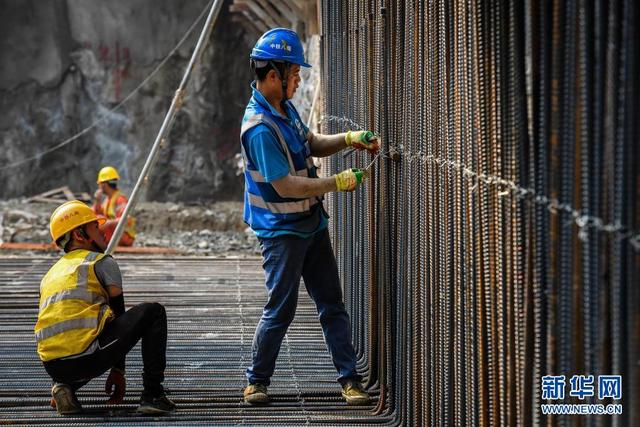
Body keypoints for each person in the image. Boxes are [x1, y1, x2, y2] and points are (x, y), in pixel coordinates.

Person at [240, 28, 379, 406]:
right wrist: (338, 182)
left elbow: (310, 142)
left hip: (310, 224)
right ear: (274, 76)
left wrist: (350, 138)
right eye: (295, 75)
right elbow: (285, 186)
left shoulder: (283, 109)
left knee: (331, 303)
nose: (299, 81)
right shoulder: (259, 128)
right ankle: (257, 381)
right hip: (282, 231)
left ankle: (349, 380)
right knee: (280, 310)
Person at [35, 200, 174, 415]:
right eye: (95, 228)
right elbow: (121, 318)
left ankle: (65, 387)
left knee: (81, 341)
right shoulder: (100, 262)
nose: (104, 233)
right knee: (153, 312)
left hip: (53, 367)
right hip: (86, 358)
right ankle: (153, 396)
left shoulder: (49, 275)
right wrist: (118, 371)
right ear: (80, 235)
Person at [92, 166, 136, 246]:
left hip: (125, 236)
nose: (99, 186)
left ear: (104, 185)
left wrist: (108, 223)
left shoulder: (120, 199)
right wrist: (97, 201)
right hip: (116, 235)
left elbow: (126, 218)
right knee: (95, 219)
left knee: (99, 221)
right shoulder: (108, 200)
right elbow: (96, 214)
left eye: (100, 184)